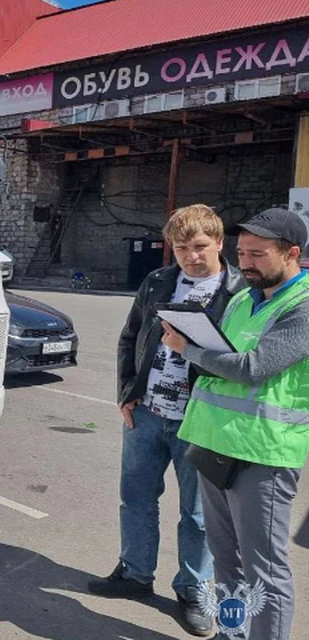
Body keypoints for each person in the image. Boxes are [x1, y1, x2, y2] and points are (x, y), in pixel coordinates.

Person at [88, 204, 245, 636]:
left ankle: (194, 589)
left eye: (199, 247)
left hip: (202, 421)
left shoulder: (239, 293)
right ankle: (136, 573)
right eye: (181, 248)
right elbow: (129, 336)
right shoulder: (158, 282)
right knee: (135, 499)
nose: (191, 257)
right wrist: (126, 393)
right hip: (147, 415)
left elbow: (242, 362)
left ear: (219, 242)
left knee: (198, 514)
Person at [164, 207, 309, 640]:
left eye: (258, 254)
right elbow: (223, 358)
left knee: (264, 570)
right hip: (213, 442)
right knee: (226, 560)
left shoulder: (301, 307)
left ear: (293, 254)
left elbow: (252, 368)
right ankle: (233, 633)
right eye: (242, 252)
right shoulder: (245, 297)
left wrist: (188, 348)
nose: (245, 263)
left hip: (262, 454)